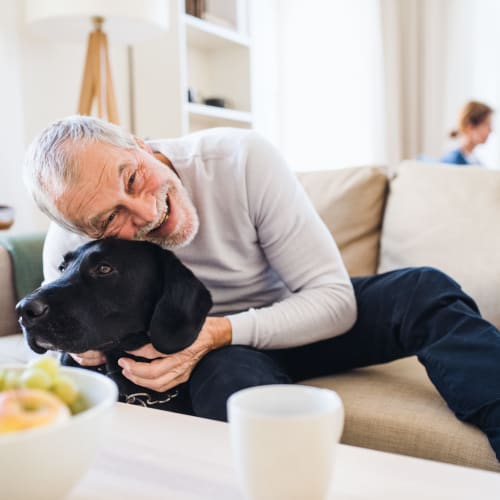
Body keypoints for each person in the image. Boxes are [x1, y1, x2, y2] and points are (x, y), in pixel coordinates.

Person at [24, 115, 500, 461]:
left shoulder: (239, 159)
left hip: (292, 321)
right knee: (236, 391)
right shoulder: (71, 237)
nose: (147, 213)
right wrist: (83, 349)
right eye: (110, 219)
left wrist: (217, 332)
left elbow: (334, 302)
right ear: (81, 228)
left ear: (137, 143)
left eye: (133, 178)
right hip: (216, 357)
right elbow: (62, 350)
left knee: (423, 288)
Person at [440, 100, 493, 166]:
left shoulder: (476, 162)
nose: (491, 130)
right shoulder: (451, 162)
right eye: (486, 124)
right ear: (470, 127)